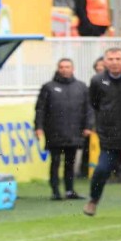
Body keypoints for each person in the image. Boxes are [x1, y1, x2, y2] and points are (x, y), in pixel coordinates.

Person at [84, 48, 121, 219]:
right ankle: (93, 200)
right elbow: (94, 104)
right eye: (111, 59)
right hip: (109, 137)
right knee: (101, 170)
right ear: (105, 62)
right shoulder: (97, 80)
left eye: (118, 58)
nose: (114, 62)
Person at [35, 58, 92, 200]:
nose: (64, 69)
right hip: (54, 131)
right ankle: (55, 191)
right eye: (62, 67)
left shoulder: (81, 87)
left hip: (74, 131)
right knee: (55, 161)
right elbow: (40, 109)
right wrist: (39, 127)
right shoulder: (48, 87)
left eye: (67, 67)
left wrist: (88, 126)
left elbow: (88, 108)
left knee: (70, 163)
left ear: (73, 69)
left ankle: (69, 190)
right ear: (57, 69)